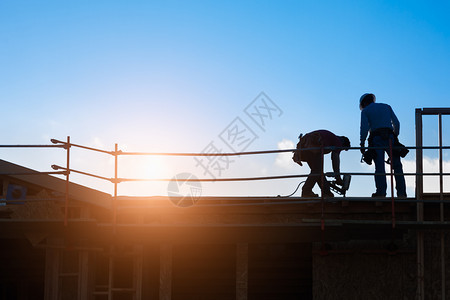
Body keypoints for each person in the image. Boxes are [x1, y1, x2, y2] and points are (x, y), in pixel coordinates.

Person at [359, 93, 407, 197]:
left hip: (376, 139)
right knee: (397, 166)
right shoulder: (386, 106)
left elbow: (364, 129)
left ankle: (381, 192)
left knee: (379, 167)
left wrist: (362, 143)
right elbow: (397, 123)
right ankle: (402, 193)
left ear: (364, 103)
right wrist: (395, 136)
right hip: (390, 137)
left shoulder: (365, 111)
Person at [292, 129, 350, 197]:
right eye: (343, 149)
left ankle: (326, 192)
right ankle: (306, 191)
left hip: (304, 145)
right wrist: (338, 177)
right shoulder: (338, 142)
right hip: (313, 144)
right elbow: (335, 159)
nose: (340, 150)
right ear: (343, 143)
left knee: (317, 172)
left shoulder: (331, 138)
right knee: (317, 171)